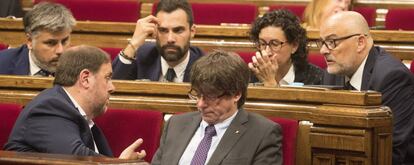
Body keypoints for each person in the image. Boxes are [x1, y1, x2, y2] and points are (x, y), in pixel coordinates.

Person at [4, 45, 146, 160]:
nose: (112, 88)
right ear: (85, 79)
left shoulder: (72, 112)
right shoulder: (50, 107)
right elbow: (76, 158)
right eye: (107, 78)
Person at [151, 50, 282, 165]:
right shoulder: (175, 124)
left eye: (211, 97)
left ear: (236, 94)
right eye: (198, 94)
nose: (200, 104)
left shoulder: (263, 133)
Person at [319, 11, 414, 165]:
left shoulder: (392, 78)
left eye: (332, 42)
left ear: (360, 43)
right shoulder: (333, 72)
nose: (323, 50)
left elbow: (390, 151)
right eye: (322, 42)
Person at [112, 0, 203, 82]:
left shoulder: (203, 66)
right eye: (163, 30)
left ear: (192, 31)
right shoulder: (143, 56)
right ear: (155, 31)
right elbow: (111, 89)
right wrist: (133, 45)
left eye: (178, 30)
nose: (170, 39)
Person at [249, 9, 323, 87]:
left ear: (294, 46)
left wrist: (270, 82)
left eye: (275, 44)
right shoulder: (250, 75)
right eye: (263, 44)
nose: (267, 52)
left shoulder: (315, 78)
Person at [0, 2, 75, 76]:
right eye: (51, 43)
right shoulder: (2, 64)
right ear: (30, 41)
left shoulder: (79, 68)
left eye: (64, 41)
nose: (60, 50)